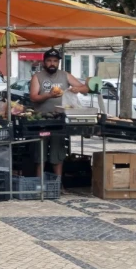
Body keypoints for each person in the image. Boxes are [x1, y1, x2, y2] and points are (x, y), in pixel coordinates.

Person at [30, 48, 88, 178]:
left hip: (59, 120)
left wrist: (77, 89)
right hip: (42, 120)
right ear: (44, 62)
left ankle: (58, 183)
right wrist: (49, 95)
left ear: (58, 63)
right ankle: (39, 183)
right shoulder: (37, 77)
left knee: (58, 153)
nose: (52, 63)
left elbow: (85, 88)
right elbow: (33, 97)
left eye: (55, 61)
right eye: (49, 60)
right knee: (40, 154)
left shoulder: (65, 75)